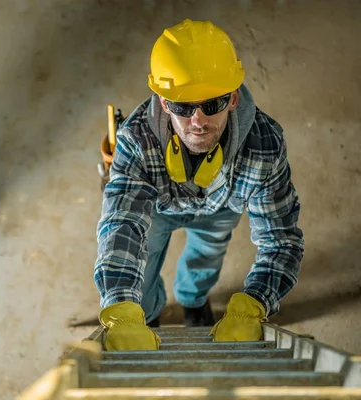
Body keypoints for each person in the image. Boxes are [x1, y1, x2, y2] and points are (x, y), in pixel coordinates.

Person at [94, 19, 304, 351]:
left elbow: (281, 240)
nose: (198, 121)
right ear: (164, 103)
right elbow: (122, 225)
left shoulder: (265, 146)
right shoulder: (136, 140)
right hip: (157, 210)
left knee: (207, 256)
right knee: (143, 263)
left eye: (212, 103)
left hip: (220, 210)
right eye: (181, 105)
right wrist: (121, 307)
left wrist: (255, 303)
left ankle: (193, 300)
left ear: (234, 98)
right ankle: (146, 315)